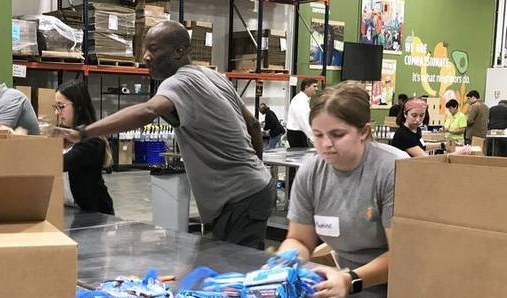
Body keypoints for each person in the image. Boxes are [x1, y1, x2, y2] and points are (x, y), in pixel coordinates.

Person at [52, 20, 273, 248]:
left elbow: (148, 110)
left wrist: (84, 132)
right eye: (145, 49)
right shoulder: (213, 76)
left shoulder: (179, 82)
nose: (146, 56)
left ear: (179, 51)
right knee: (213, 265)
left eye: (154, 49)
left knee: (234, 273)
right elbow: (254, 124)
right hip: (249, 192)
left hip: (240, 199)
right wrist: (255, 172)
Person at [279, 82, 408, 298]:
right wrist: (284, 263)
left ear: (364, 132)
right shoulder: (311, 172)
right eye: (318, 135)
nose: (326, 144)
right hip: (342, 288)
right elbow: (300, 240)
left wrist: (351, 280)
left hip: (394, 294)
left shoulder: (393, 170)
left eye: (337, 134)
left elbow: (404, 255)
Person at [54, 79, 114, 215]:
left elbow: (61, 163)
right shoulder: (63, 134)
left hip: (95, 213)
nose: (57, 113)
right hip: (72, 211)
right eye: (56, 107)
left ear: (78, 106)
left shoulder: (93, 141)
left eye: (61, 107)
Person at [286, 78, 319, 148]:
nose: (316, 89)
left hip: (298, 134)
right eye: (314, 86)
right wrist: (314, 139)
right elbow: (303, 122)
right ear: (306, 87)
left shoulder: (302, 99)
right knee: (301, 157)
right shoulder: (300, 101)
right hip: (296, 135)